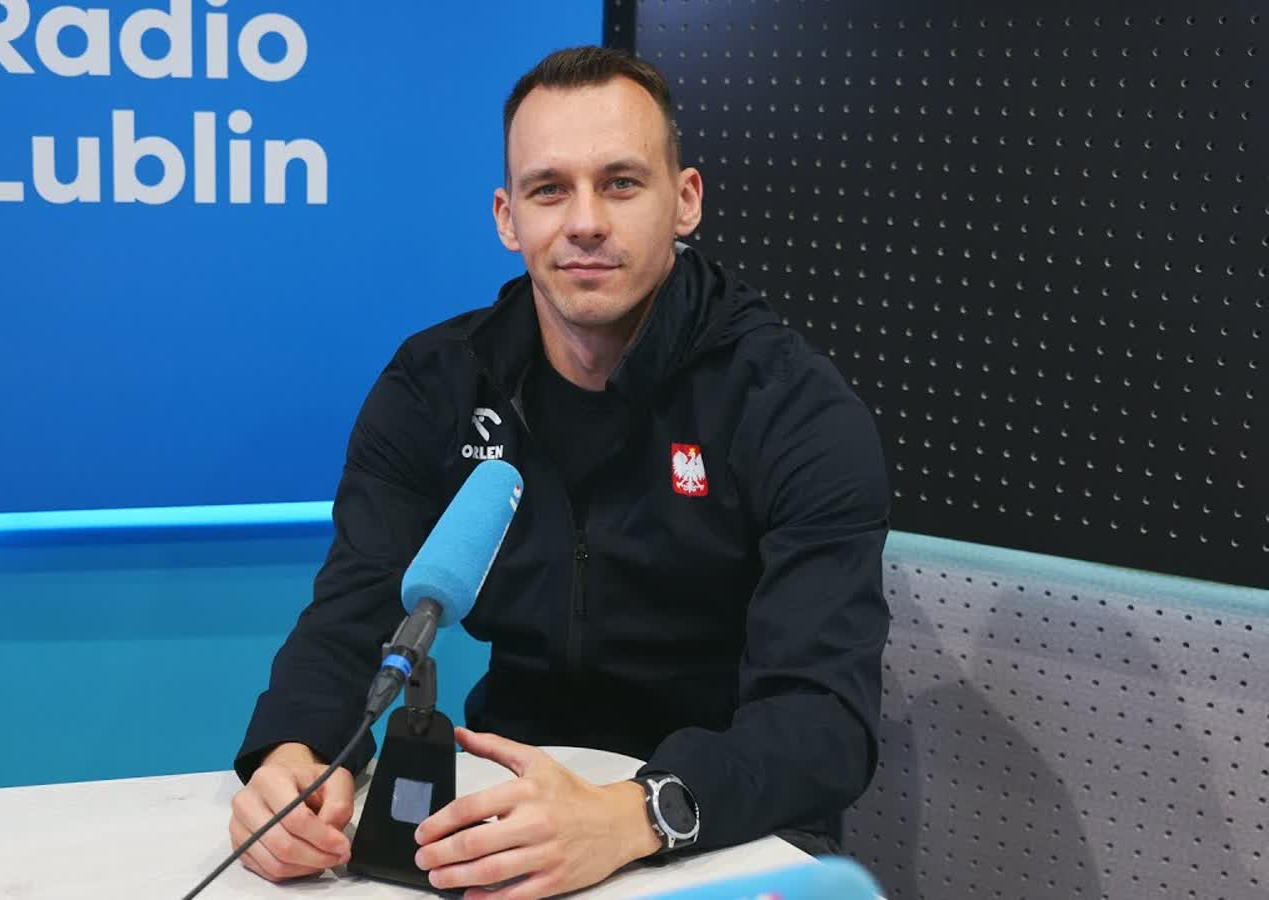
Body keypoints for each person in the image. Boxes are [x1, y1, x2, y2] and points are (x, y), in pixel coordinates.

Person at [227, 45, 891, 900]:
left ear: (685, 200)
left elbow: (823, 721)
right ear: (508, 218)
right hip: (511, 804)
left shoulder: (793, 407)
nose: (585, 222)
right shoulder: (436, 385)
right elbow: (354, 611)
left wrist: (632, 815)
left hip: (727, 823)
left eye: (620, 183)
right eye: (549, 190)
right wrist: (290, 756)